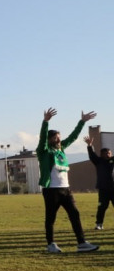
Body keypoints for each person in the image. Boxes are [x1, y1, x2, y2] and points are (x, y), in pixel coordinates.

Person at [37, 108, 99, 253]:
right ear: (49, 139)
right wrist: (45, 122)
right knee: (51, 217)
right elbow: (42, 139)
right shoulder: (44, 151)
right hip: (51, 190)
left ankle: (82, 243)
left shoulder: (61, 149)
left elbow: (73, 136)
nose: (58, 139)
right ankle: (51, 244)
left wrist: (82, 122)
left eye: (59, 137)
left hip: (66, 189)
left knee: (75, 214)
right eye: (55, 137)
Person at [84, 135, 114, 230]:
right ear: (101, 155)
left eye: (109, 153)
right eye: (105, 153)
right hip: (103, 189)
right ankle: (99, 224)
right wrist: (90, 145)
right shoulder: (98, 161)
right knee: (101, 207)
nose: (108, 155)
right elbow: (92, 154)